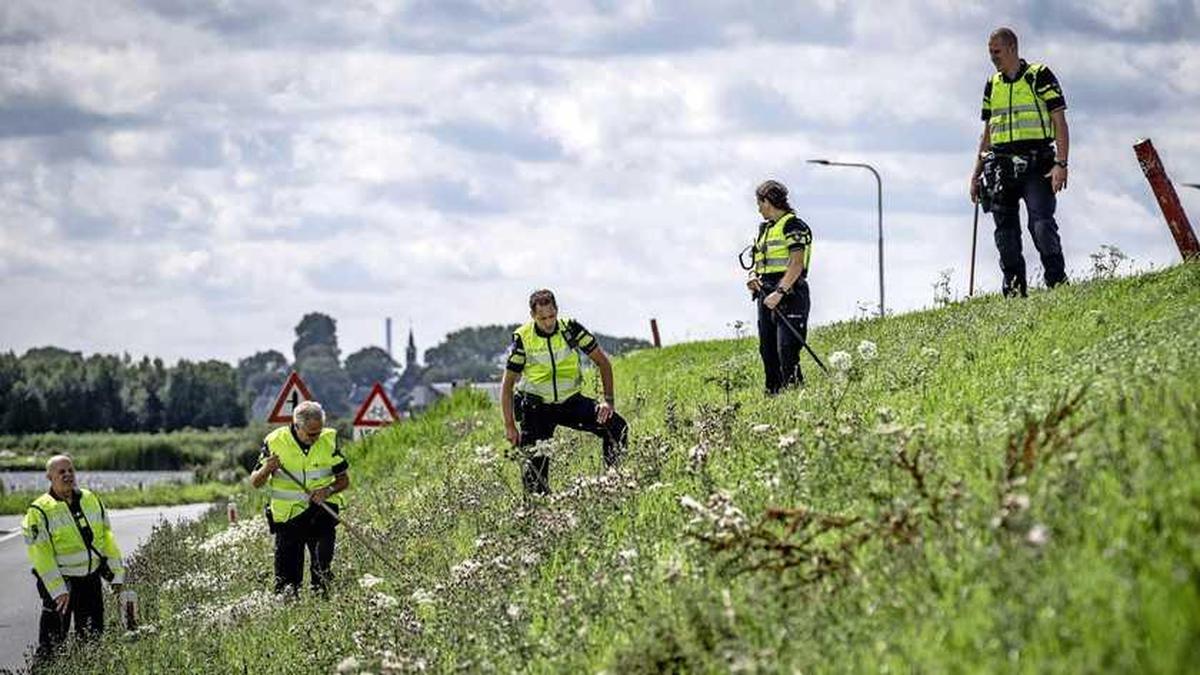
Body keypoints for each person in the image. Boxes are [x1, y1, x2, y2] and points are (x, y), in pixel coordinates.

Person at [970, 26, 1070, 297]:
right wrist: (976, 174)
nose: (993, 58)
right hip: (1000, 167)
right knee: (1005, 235)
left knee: (1041, 225)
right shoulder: (993, 85)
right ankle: (1014, 293)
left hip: (1037, 164)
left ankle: (1057, 285)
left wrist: (1061, 164)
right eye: (990, 53)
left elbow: (1060, 121)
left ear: (1012, 48)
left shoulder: (1039, 76)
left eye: (997, 52)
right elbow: (988, 133)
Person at [501, 289, 629, 495]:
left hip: (571, 403)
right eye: (542, 318)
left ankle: (614, 484)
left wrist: (608, 402)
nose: (548, 322)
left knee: (616, 426)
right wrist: (509, 425)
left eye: (551, 316)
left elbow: (603, 362)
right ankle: (540, 516)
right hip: (536, 410)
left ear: (557, 311)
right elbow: (507, 386)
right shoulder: (523, 339)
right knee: (535, 486)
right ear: (533, 315)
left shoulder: (571, 329)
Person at [21, 454, 125, 657]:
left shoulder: (91, 499)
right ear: (49, 477)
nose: (68, 475)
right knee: (52, 645)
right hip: (62, 585)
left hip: (90, 580)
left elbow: (107, 539)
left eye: (71, 470)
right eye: (61, 472)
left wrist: (116, 575)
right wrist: (58, 590)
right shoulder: (39, 510)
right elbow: (41, 555)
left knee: (92, 640)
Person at [250, 400, 350, 594]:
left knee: (322, 572)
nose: (316, 438)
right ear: (297, 426)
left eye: (319, 432)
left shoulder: (328, 439)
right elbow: (255, 482)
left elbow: (344, 481)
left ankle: (323, 608)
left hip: (322, 512)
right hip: (289, 518)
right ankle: (289, 609)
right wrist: (267, 468)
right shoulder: (274, 441)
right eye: (311, 434)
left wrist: (327, 491)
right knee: (287, 582)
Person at [745, 179, 813, 394]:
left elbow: (796, 264)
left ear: (767, 201)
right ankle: (773, 398)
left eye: (759, 203)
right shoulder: (765, 229)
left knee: (787, 351)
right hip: (765, 292)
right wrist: (753, 277)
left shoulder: (793, 225)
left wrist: (780, 292)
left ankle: (795, 396)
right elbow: (758, 262)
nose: (758, 209)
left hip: (790, 293)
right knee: (768, 350)